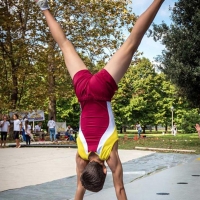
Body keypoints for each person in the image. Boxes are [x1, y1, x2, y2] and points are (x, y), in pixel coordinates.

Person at [35, 0, 165, 199]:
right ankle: (43, 7)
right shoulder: (80, 158)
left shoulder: (110, 156)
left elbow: (119, 189)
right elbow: (80, 188)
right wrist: (84, 176)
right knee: (65, 45)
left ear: (105, 171)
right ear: (87, 170)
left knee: (132, 42)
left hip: (101, 91)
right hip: (83, 92)